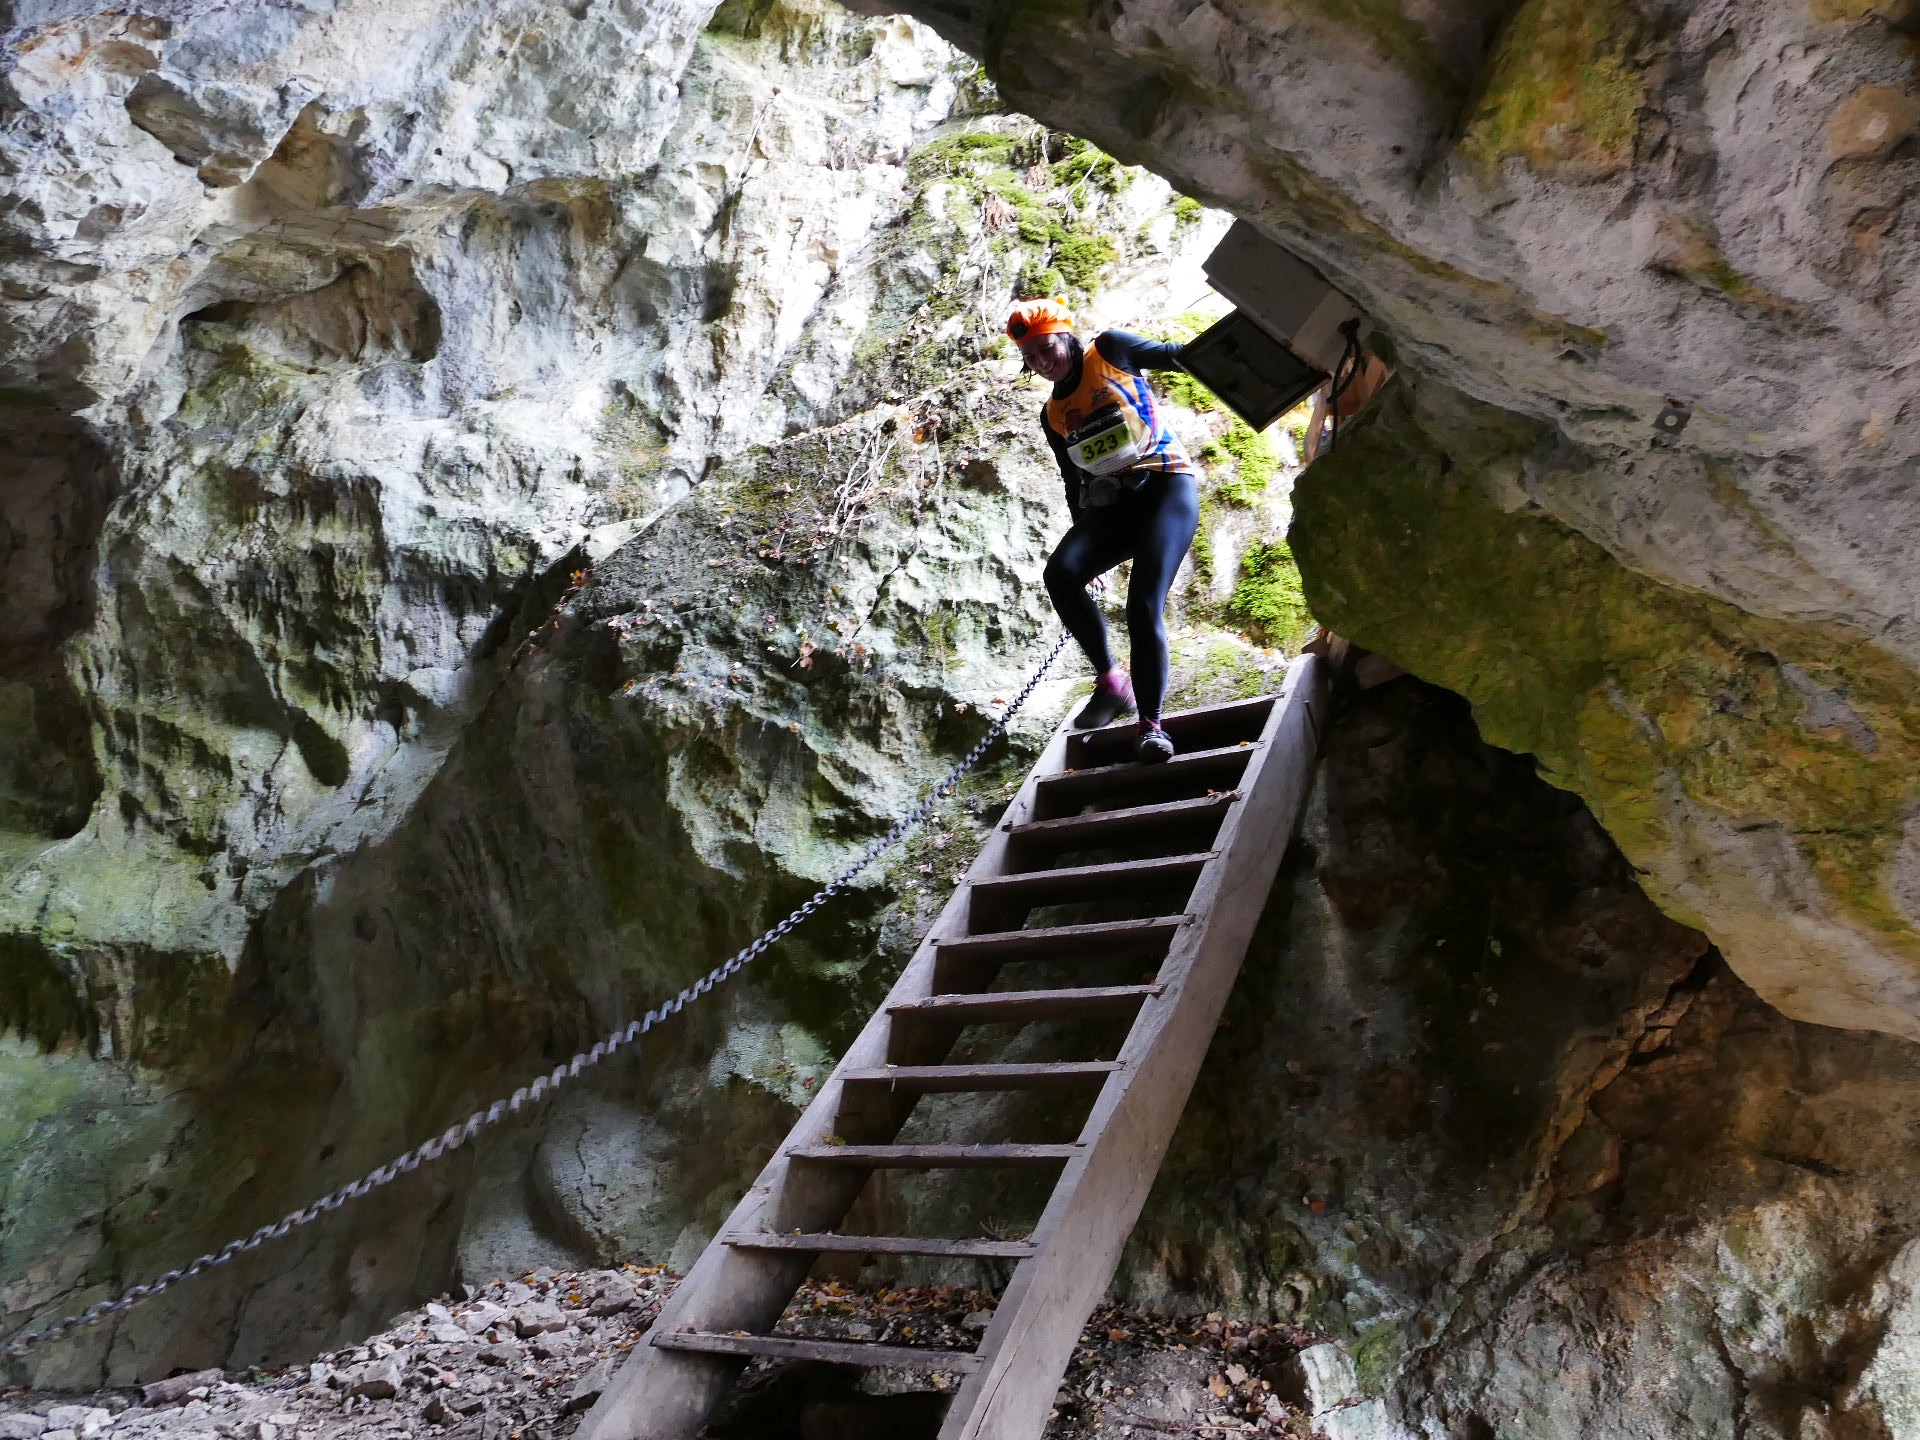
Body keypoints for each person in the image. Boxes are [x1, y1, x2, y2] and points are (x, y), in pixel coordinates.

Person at [1007, 298, 1200, 764]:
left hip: (1165, 489)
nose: (1041, 362)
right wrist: (1086, 547)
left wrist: (1238, 355)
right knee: (1062, 573)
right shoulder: (1052, 414)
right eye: (1030, 358)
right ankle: (1112, 682)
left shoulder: (1110, 351)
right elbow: (1074, 482)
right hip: (1113, 506)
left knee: (1142, 604)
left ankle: (1152, 727)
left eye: (1046, 348)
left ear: (1066, 337)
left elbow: (1178, 354)